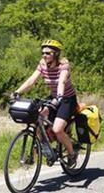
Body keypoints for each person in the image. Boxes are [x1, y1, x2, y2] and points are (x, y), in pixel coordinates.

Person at [11, 39, 78, 167]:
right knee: (38, 118)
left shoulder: (63, 66)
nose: (44, 55)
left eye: (48, 53)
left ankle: (71, 153)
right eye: (43, 53)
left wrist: (59, 96)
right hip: (54, 97)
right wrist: (17, 92)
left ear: (56, 54)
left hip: (67, 99)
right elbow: (31, 80)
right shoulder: (42, 65)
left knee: (58, 129)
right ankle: (47, 150)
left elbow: (61, 82)